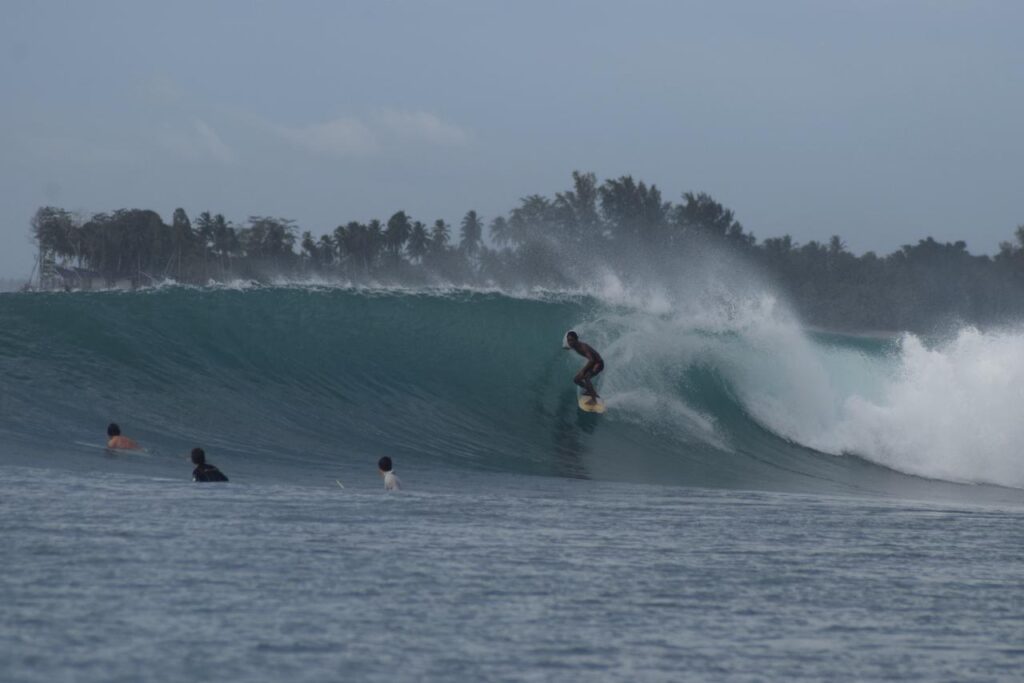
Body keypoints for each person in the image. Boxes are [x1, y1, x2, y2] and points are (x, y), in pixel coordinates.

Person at [564, 330, 604, 404]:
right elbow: (572, 346)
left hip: (598, 363)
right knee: (576, 380)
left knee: (586, 377)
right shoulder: (574, 345)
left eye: (572, 340)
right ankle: (590, 390)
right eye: (568, 340)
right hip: (593, 363)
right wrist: (568, 348)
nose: (570, 342)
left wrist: (583, 370)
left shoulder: (583, 347)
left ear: (576, 339)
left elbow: (591, 360)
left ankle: (594, 399)